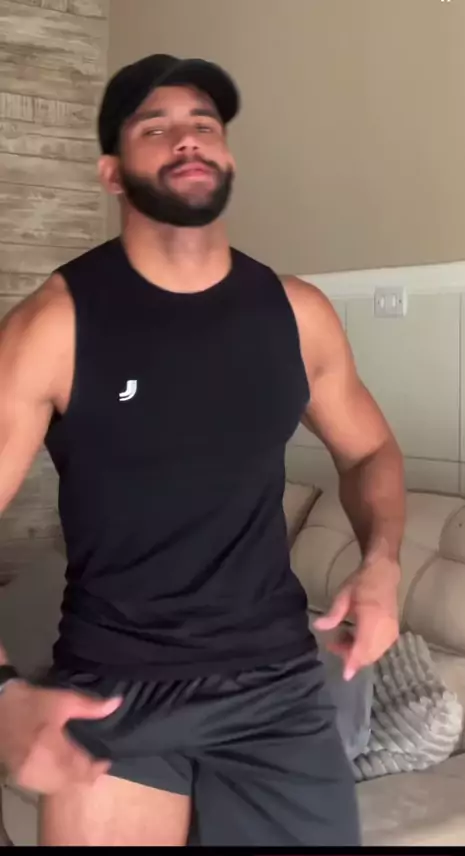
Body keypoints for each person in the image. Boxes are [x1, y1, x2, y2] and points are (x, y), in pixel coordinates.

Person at [0, 54, 405, 846]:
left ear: (227, 158)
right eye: (156, 128)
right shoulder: (53, 326)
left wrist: (383, 562)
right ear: (111, 174)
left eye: (205, 125)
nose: (187, 138)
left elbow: (371, 453)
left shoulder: (297, 314)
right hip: (115, 691)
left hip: (277, 689)